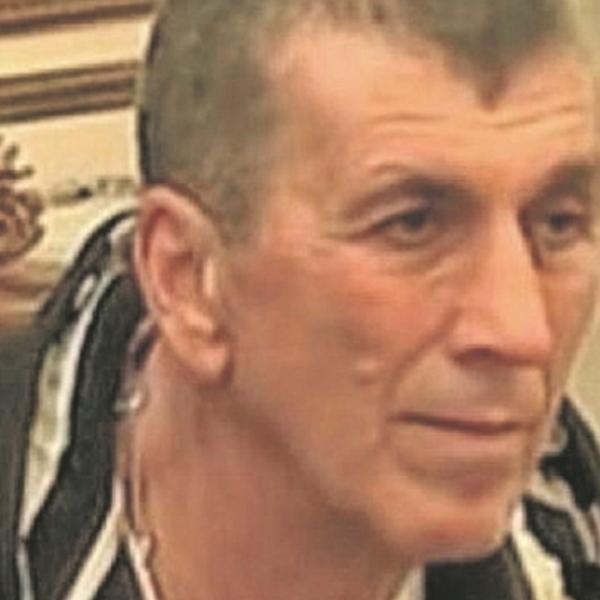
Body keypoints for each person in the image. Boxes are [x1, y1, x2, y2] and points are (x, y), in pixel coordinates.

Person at [2, 0, 600, 598]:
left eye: (558, 223)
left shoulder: (568, 544)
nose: (522, 332)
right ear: (187, 281)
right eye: (412, 225)